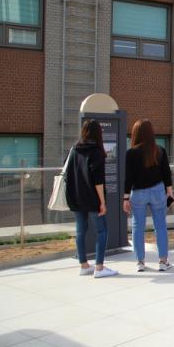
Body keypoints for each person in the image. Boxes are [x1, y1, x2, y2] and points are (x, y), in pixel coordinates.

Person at [65, 119, 118, 278]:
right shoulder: (96, 152)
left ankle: (84, 265)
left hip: (75, 196)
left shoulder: (74, 149)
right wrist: (102, 202)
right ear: (98, 133)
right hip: (92, 197)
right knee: (102, 230)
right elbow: (98, 181)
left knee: (80, 230)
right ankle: (99, 268)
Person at [123, 119, 174, 272]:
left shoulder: (131, 153)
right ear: (151, 133)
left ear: (136, 133)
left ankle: (140, 262)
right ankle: (163, 261)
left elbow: (128, 178)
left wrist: (125, 198)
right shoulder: (160, 150)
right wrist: (170, 192)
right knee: (160, 226)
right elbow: (166, 173)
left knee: (138, 227)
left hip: (138, 193)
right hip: (158, 191)